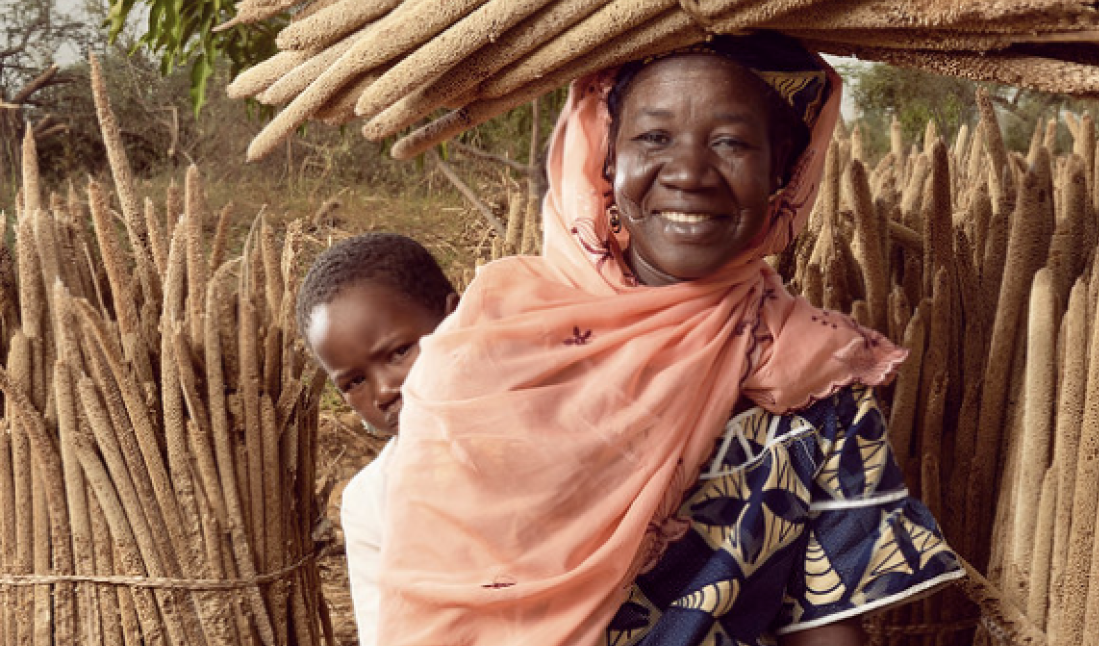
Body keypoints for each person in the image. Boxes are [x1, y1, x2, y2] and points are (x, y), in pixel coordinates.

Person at [375, 32, 961, 646]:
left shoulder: (819, 385)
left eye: (731, 143)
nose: (689, 173)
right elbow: (435, 586)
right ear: (606, 159)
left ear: (781, 171)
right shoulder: (494, 346)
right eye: (654, 138)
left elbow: (825, 631)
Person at [294, 232, 459, 646]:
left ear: (455, 319)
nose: (384, 390)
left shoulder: (544, 426)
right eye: (354, 382)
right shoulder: (371, 501)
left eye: (399, 352)